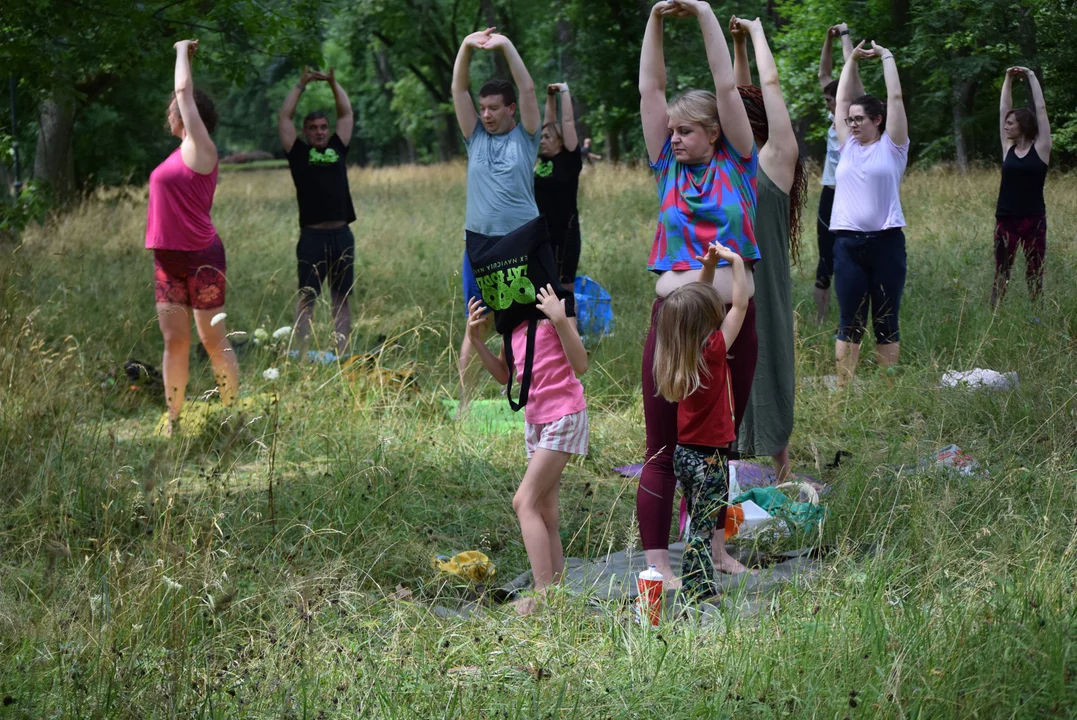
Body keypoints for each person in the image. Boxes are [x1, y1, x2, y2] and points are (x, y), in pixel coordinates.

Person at [638, 0, 759, 584]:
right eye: (672, 131)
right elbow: (649, 90)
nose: (675, 137)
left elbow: (727, 88)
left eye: (686, 130)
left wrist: (707, 13)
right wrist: (657, 21)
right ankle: (658, 562)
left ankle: (715, 550)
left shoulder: (738, 165)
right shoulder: (666, 166)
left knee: (720, 444)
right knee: (662, 443)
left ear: (713, 132)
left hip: (734, 319)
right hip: (677, 322)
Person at [465, 286, 589, 614]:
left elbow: (581, 364)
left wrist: (560, 319)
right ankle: (556, 591)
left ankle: (543, 590)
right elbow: (505, 376)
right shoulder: (511, 323)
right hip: (535, 421)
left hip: (564, 415)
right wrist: (477, 341)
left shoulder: (554, 310)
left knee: (524, 501)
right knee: (545, 509)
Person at [730, 16, 808, 482]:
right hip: (724, 287)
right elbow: (739, 97)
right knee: (726, 373)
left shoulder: (776, 160)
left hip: (764, 287)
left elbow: (768, 88)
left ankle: (781, 471)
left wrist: (758, 33)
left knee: (769, 366)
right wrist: (737, 44)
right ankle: (733, 471)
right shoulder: (736, 164)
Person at [147, 39, 238, 437]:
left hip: (202, 257)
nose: (170, 111)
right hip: (167, 260)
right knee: (175, 342)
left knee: (212, 339)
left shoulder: (202, 148)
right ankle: (173, 421)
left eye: (175, 108)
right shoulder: (176, 155)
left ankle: (235, 417)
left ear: (188, 116)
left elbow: (183, 91)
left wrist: (182, 50)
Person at [451, 27, 542, 411]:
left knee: (527, 325)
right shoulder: (475, 137)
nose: (486, 114)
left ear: (510, 109)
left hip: (522, 243)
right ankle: (465, 404)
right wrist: (465, 48)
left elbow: (529, 90)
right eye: (482, 107)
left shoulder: (527, 135)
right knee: (476, 325)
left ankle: (532, 398)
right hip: (480, 245)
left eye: (493, 108)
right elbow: (458, 91)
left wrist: (505, 45)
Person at [653, 242, 748, 596]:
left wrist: (707, 268)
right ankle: (698, 589)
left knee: (699, 521)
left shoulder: (680, 354)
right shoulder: (714, 351)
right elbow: (739, 303)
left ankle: (699, 581)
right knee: (703, 529)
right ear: (706, 321)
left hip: (685, 456)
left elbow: (697, 302)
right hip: (710, 458)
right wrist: (736, 262)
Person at [831, 40, 909, 385]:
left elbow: (895, 99)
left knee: (885, 317)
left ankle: (887, 387)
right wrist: (850, 60)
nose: (852, 124)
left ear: (877, 120)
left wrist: (887, 55)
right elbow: (841, 100)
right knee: (850, 318)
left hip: (887, 242)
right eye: (849, 120)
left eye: (859, 119)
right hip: (847, 244)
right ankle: (844, 389)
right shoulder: (845, 145)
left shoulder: (893, 147)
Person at [278, 66, 356, 355]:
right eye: (314, 128)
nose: (321, 132)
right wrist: (301, 83)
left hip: (342, 235)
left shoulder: (338, 146)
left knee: (341, 297)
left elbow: (346, 115)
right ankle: (302, 353)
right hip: (312, 237)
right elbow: (284, 117)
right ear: (305, 132)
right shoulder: (297, 152)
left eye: (324, 127)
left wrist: (334, 83)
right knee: (307, 297)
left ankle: (342, 353)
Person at [815, 23, 862, 323]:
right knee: (825, 260)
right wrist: (827, 41)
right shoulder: (832, 115)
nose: (828, 105)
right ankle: (820, 320)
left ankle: (853, 314)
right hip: (829, 193)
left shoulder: (853, 121)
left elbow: (850, 70)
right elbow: (824, 75)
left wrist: (846, 36)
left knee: (852, 257)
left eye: (832, 101)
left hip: (850, 194)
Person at [993, 66, 1051, 305]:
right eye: (1006, 124)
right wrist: (1007, 78)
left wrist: (1030, 76)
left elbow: (1041, 109)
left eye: (1011, 123)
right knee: (1001, 272)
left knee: (1034, 271)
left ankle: (1036, 312)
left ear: (1023, 126)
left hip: (1034, 220)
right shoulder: (1008, 149)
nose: (1006, 126)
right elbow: (1003, 109)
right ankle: (995, 314)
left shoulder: (1042, 148)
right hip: (1006, 219)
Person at [534, 82, 582, 290]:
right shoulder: (544, 161)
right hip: (542, 232)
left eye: (547, 138)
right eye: (541, 137)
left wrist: (563, 91)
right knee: (543, 284)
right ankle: (547, 323)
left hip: (566, 232)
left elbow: (567, 122)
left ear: (560, 141)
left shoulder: (569, 158)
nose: (542, 140)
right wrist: (549, 96)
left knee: (564, 282)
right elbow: (550, 123)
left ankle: (569, 322)